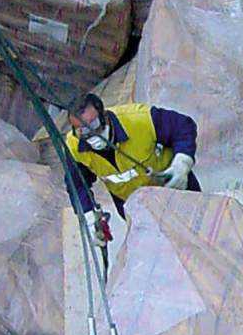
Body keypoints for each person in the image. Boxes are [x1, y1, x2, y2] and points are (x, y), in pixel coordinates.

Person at [65, 91, 199, 253]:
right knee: (161, 250)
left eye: (93, 125)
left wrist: (181, 165)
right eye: (82, 131)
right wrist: (88, 217)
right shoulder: (75, 147)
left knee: (198, 234)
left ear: (104, 115)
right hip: (135, 206)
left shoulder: (139, 120)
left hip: (175, 187)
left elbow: (183, 126)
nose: (90, 135)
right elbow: (77, 184)